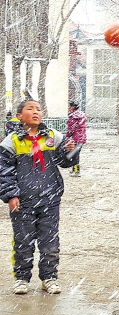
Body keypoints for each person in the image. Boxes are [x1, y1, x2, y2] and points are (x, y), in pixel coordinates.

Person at [0, 100, 77, 294]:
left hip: (49, 199)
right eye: (30, 109)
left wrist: (71, 151)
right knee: (23, 242)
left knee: (50, 242)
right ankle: (22, 279)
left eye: (39, 109)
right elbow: (4, 171)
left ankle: (49, 277)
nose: (36, 112)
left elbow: (64, 162)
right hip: (23, 202)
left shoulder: (53, 136)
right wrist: (11, 195)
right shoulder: (12, 141)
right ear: (19, 116)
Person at [66, 100, 87, 177]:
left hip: (76, 138)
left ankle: (76, 171)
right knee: (75, 154)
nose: (68, 107)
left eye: (69, 106)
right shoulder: (81, 115)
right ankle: (74, 169)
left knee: (74, 155)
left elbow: (71, 128)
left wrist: (67, 136)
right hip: (81, 137)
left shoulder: (73, 116)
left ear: (72, 107)